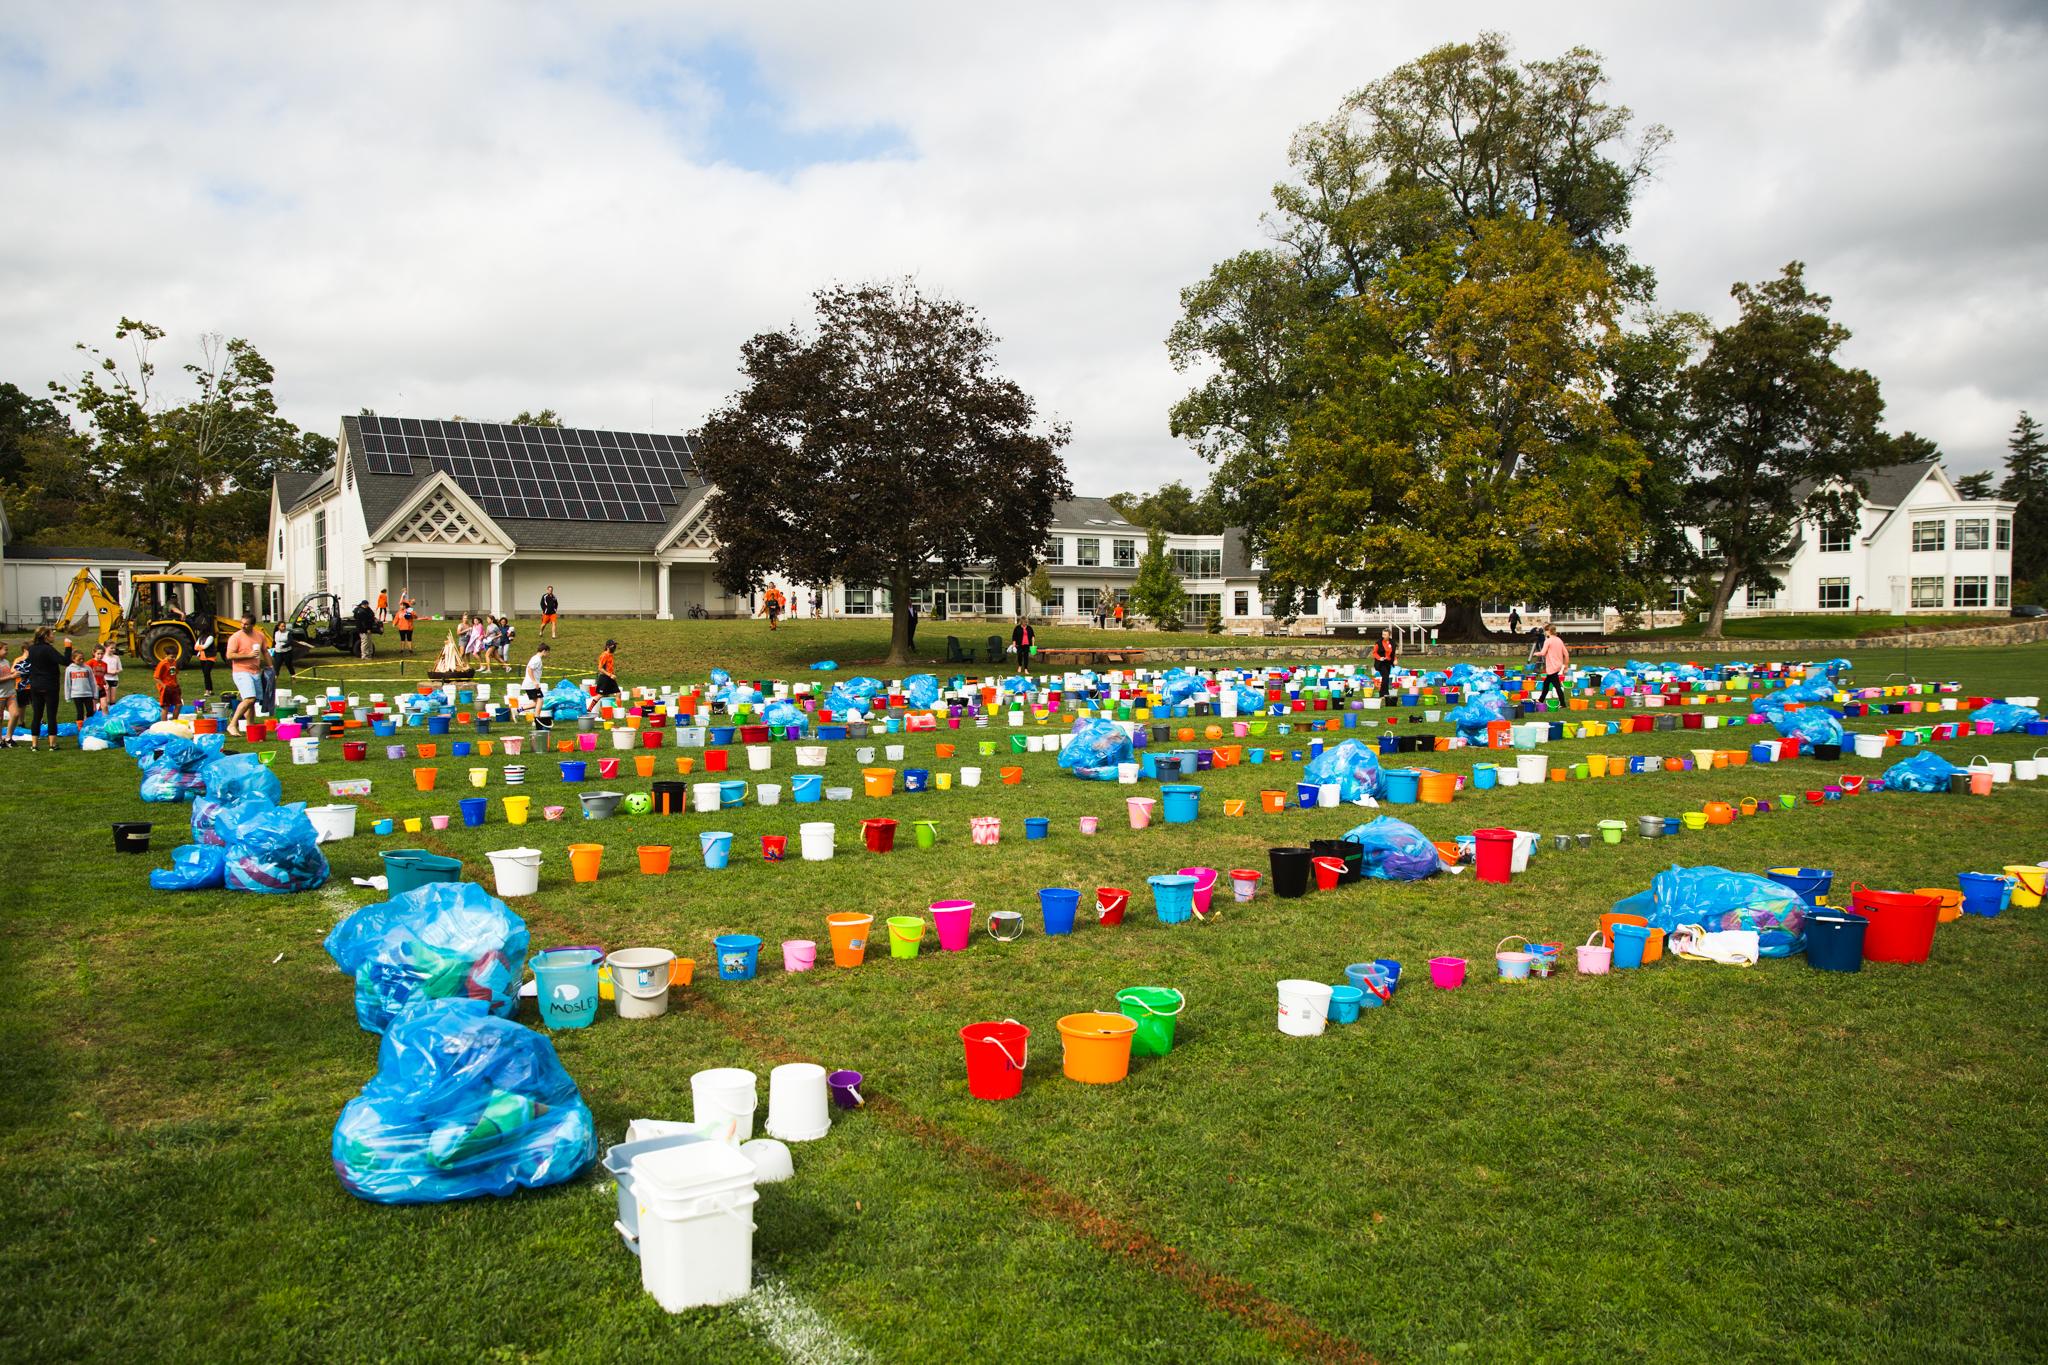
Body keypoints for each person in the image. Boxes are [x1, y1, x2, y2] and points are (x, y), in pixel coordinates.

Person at [24, 628, 66, 750]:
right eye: (51, 634)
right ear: (46, 636)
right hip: (50, 686)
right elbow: (65, 661)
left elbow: (27, 664)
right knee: (51, 715)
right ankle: (52, 744)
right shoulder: (48, 649)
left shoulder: (32, 649)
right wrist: (68, 648)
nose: (53, 636)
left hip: (36, 685)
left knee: (37, 715)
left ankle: (34, 745)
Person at [225, 619, 265, 736]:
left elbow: (265, 652)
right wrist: (249, 655)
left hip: (255, 671)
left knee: (252, 702)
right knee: (250, 699)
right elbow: (229, 655)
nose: (243, 625)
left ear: (253, 625)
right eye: (242, 623)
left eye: (246, 624)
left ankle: (251, 728)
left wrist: (271, 667)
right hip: (241, 671)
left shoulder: (259, 635)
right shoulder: (235, 637)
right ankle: (232, 724)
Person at [64, 646, 98, 730]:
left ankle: (90, 726)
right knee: (80, 712)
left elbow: (92, 681)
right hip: (76, 695)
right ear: (73, 659)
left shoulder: (87, 668)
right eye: (79, 659)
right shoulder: (69, 669)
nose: (82, 660)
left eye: (83, 658)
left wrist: (95, 693)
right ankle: (80, 728)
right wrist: (67, 696)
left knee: (90, 710)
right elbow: (67, 683)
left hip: (88, 694)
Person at [1537, 625, 1570, 705]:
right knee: (1546, 684)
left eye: (1545, 631)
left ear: (1548, 631)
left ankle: (1563, 704)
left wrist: (1536, 653)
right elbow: (1566, 654)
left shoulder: (1548, 641)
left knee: (1557, 686)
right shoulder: (1559, 640)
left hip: (1552, 667)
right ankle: (1541, 700)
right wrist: (1565, 665)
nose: (1545, 633)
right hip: (1558, 666)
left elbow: (1543, 653)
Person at [153, 647, 181, 721]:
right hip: (166, 688)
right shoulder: (162, 664)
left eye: (175, 657)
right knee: (166, 707)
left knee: (179, 705)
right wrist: (164, 686)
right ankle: (164, 725)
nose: (173, 658)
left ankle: (174, 721)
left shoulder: (174, 662)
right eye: (172, 657)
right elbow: (156, 677)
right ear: (166, 655)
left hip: (174, 687)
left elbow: (174, 674)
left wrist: (176, 684)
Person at [0, 644, 18, 747]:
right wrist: (11, 676)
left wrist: (14, 674)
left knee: (15, 714)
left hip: (10, 693)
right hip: (1, 694)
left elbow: (8, 675)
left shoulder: (6, 662)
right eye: (5, 649)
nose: (7, 652)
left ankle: (8, 738)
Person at [1372, 629, 1397, 699]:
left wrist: (1395, 660)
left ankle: (1382, 694)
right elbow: (1374, 652)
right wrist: (1380, 658)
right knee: (1385, 676)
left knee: (1385, 678)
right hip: (1380, 663)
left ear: (1389, 635)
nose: (1383, 636)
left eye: (1385, 635)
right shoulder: (1378, 642)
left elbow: (1393, 653)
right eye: (1383, 634)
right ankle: (1385, 694)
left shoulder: (1392, 642)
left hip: (1388, 663)